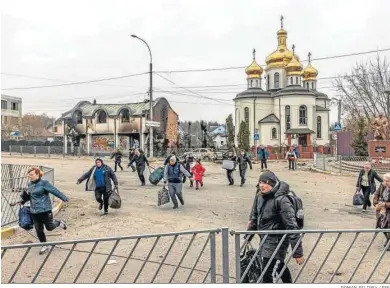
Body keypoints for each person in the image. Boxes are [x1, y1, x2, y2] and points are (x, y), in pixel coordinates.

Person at [248, 171, 305, 283]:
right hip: (265, 239)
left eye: (265, 182)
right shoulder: (260, 196)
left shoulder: (282, 200)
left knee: (267, 271)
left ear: (273, 184)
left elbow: (292, 226)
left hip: (278, 241)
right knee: (278, 265)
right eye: (260, 182)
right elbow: (254, 216)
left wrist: (298, 252)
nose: (261, 185)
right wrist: (248, 236)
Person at [20, 167, 69, 255]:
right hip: (34, 211)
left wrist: (64, 198)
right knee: (39, 230)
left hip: (45, 209)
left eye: (31, 175)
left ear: (37, 175)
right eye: (29, 175)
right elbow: (30, 196)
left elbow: (54, 191)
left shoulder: (44, 183)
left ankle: (59, 223)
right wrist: (23, 200)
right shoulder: (29, 184)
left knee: (49, 227)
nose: (29, 176)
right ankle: (44, 245)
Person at [373, 173, 390, 251]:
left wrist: (385, 204)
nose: (386, 183)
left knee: (388, 226)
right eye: (385, 181)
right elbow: (376, 194)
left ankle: (389, 241)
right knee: (381, 225)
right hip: (382, 210)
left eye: (388, 181)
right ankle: (388, 238)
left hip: (388, 210)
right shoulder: (382, 185)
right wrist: (376, 203)